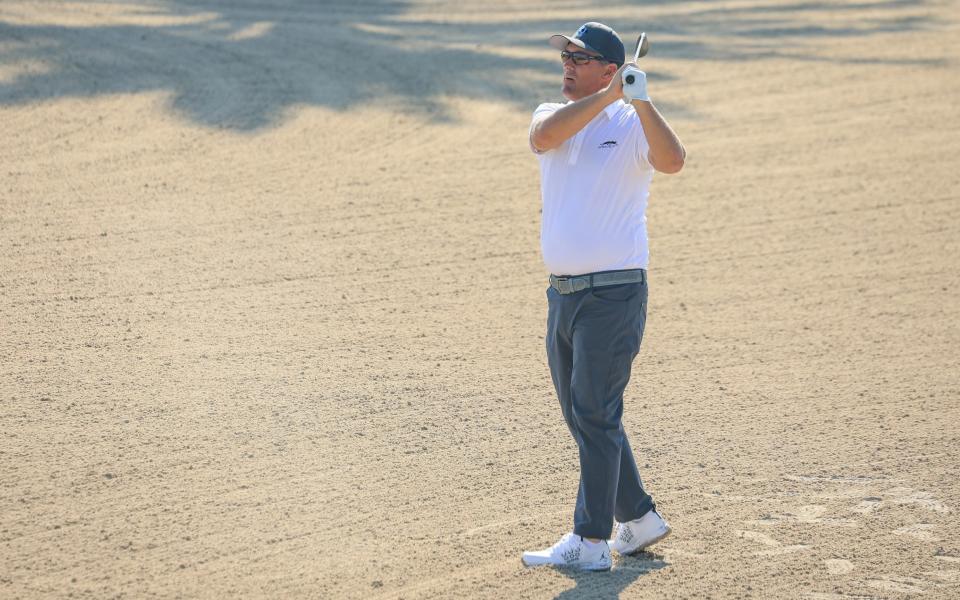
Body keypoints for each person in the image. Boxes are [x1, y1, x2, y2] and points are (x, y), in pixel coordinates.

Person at [520, 22, 686, 571]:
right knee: (586, 414)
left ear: (611, 68)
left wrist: (639, 102)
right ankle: (638, 518)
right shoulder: (553, 114)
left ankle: (590, 543)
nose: (567, 63)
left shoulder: (632, 121)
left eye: (581, 56)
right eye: (566, 55)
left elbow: (673, 160)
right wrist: (609, 94)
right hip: (562, 296)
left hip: (614, 295)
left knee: (593, 412)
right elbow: (543, 139)